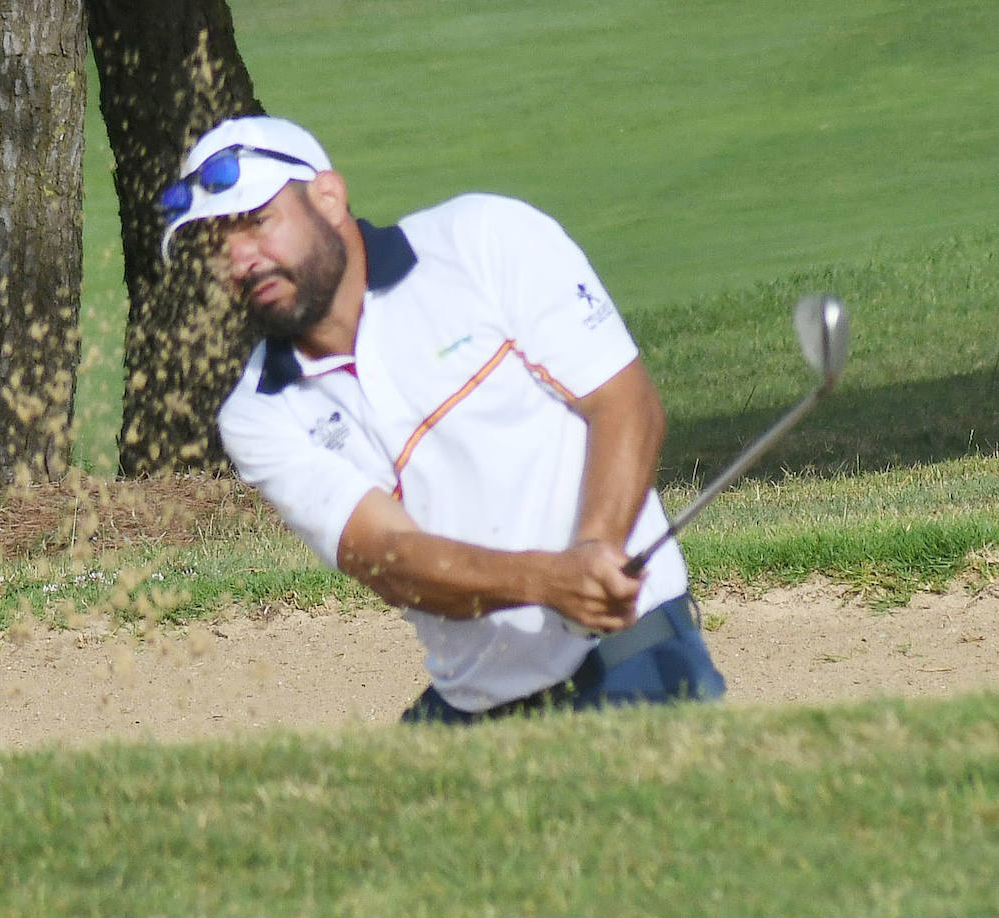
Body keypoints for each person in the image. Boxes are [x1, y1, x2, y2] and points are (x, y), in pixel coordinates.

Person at [159, 115, 726, 724]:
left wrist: (596, 548)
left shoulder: (482, 240)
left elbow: (623, 402)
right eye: (216, 244)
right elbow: (391, 559)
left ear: (328, 197)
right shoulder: (257, 412)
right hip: (476, 700)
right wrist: (550, 580)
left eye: (256, 221)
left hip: (631, 651)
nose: (240, 259)